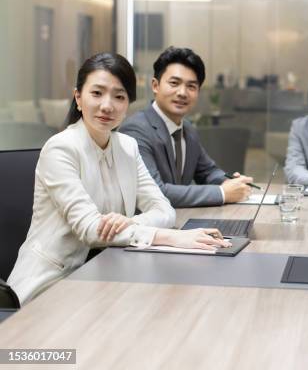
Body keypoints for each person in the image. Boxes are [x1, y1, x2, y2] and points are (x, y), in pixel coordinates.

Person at [8, 53, 229, 305]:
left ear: (128, 104)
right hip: (51, 283)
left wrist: (128, 221)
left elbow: (164, 210)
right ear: (78, 98)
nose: (107, 105)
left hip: (105, 275)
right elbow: (90, 229)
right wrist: (173, 237)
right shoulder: (60, 149)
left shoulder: (128, 147)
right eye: (97, 93)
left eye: (119, 96)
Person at [120, 46, 253, 208]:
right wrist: (223, 193)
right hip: (147, 227)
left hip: (182, 221)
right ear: (155, 85)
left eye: (191, 86)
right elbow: (155, 191)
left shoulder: (188, 129)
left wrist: (230, 181)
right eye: (174, 83)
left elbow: (208, 171)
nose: (182, 92)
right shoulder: (136, 129)